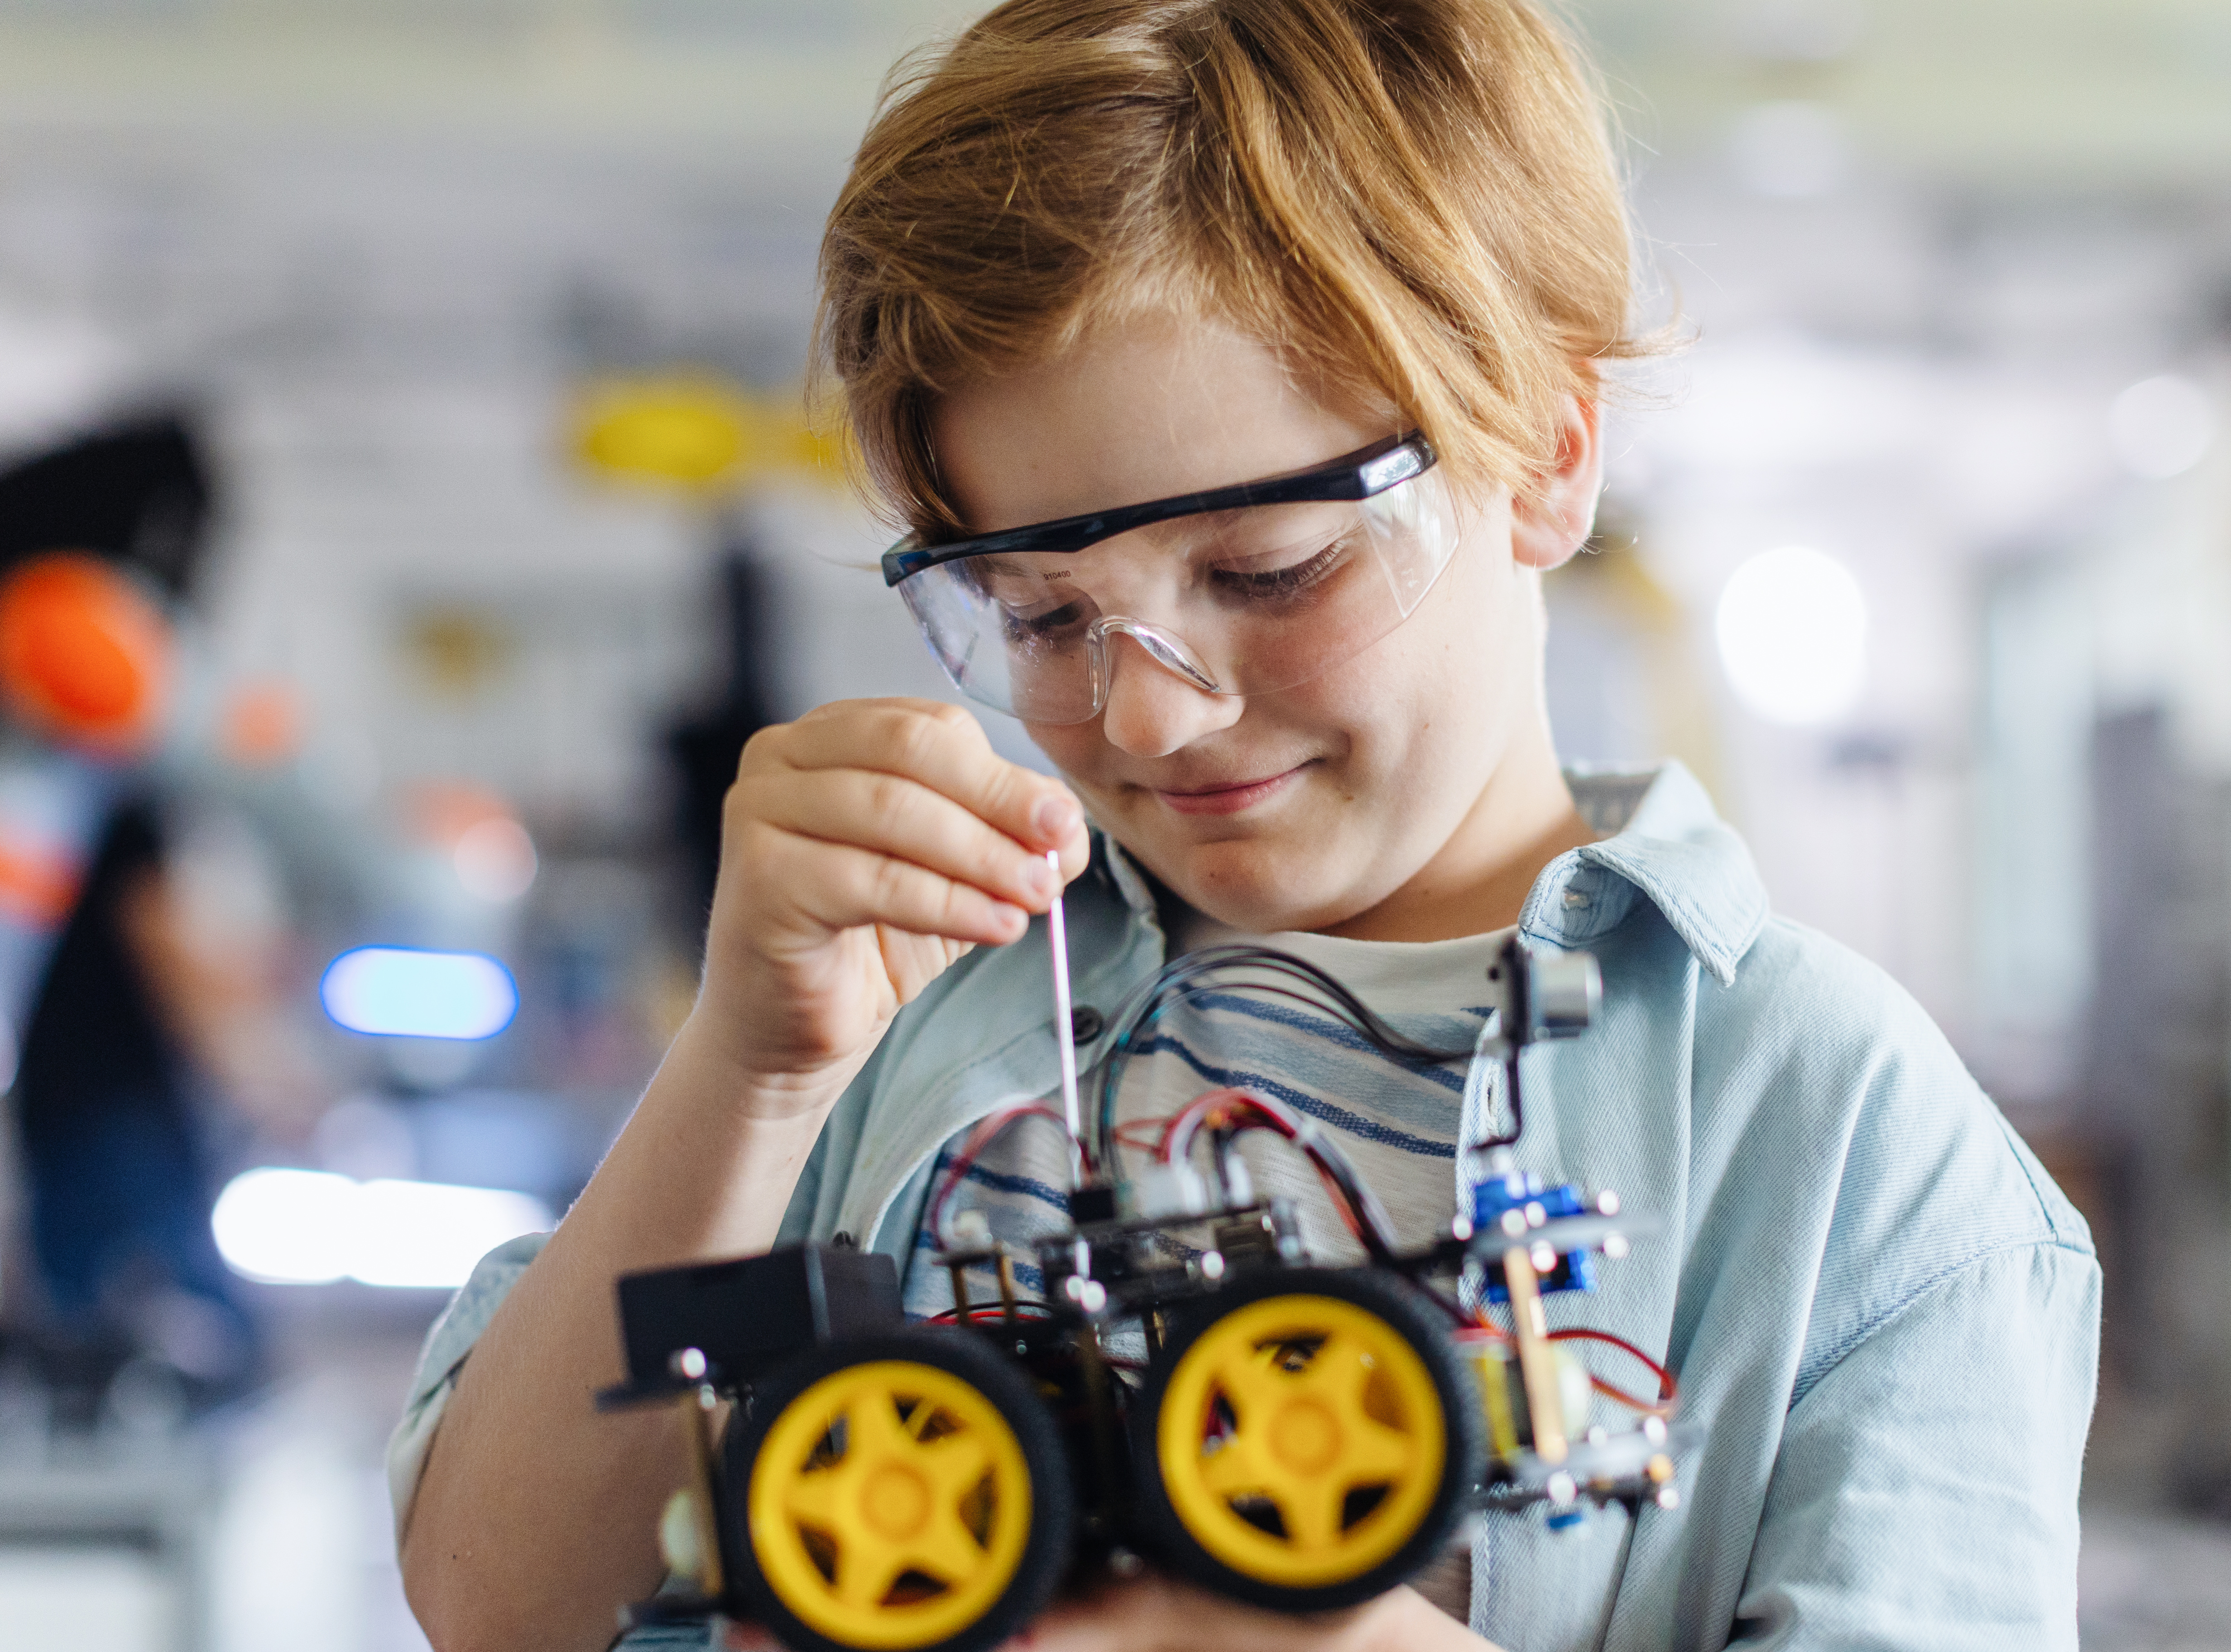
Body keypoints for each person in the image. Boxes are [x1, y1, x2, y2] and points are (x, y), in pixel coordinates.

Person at [393, 3, 2100, 1649]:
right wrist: (755, 1075)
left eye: (1268, 573)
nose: (1145, 718)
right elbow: (499, 1607)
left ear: (1544, 452)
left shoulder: (1841, 1144)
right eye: (1042, 615)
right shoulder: (916, 1021)